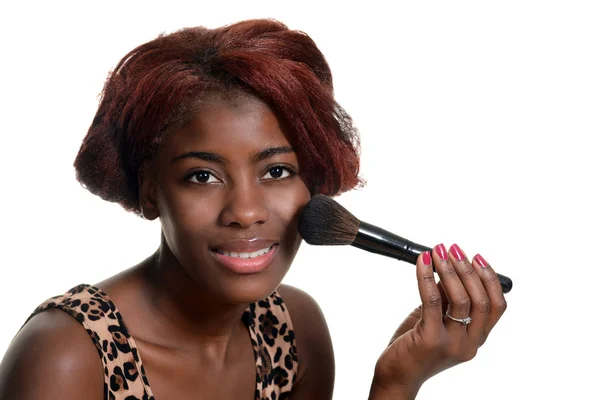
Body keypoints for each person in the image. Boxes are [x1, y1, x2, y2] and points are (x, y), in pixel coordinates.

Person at [0, 19, 507, 400]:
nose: (245, 211)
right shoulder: (67, 358)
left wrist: (397, 381)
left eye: (277, 172)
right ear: (151, 190)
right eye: (203, 176)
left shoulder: (293, 331)